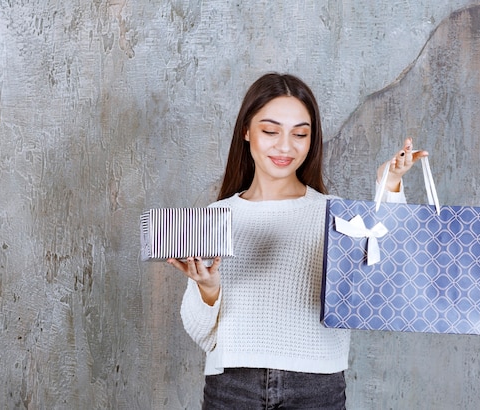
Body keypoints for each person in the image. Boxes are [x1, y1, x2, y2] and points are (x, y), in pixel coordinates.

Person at [167, 73, 427, 409]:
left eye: (300, 134)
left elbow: (392, 275)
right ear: (246, 131)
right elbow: (202, 333)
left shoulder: (335, 215)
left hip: (316, 387)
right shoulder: (214, 217)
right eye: (271, 131)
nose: (285, 146)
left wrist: (388, 187)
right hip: (232, 386)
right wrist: (209, 289)